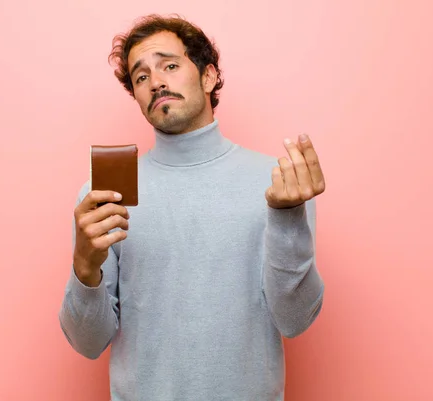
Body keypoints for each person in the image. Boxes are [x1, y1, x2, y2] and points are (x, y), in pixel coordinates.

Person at [59, 14, 326, 401]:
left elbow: (294, 320)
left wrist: (288, 221)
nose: (156, 82)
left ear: (209, 76)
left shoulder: (277, 183)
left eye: (169, 65)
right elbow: (88, 343)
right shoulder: (108, 193)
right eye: (141, 76)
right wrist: (84, 267)